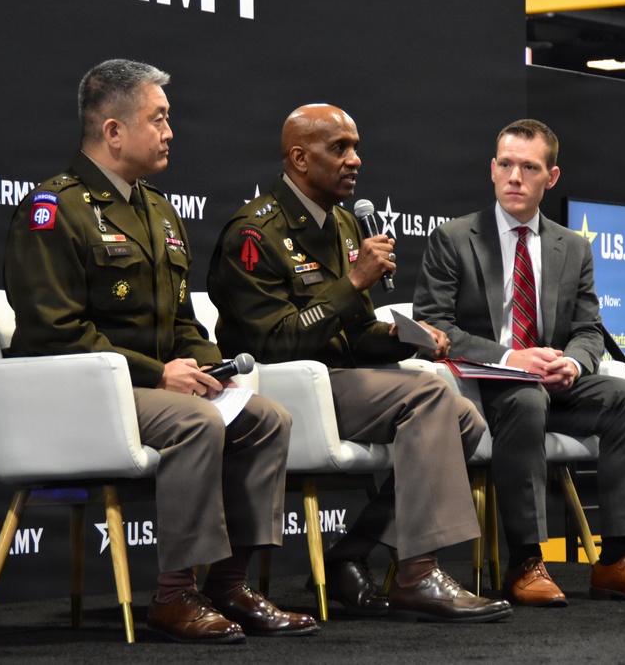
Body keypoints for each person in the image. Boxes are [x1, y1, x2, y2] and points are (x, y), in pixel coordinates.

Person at [3, 59, 319, 644]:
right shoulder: (53, 210)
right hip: (79, 397)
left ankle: (229, 584)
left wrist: (205, 363)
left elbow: (180, 321)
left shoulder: (157, 209)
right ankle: (175, 595)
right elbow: (54, 331)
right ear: (113, 131)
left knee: (266, 418)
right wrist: (158, 374)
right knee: (197, 421)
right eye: (159, 119)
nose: (171, 131)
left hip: (149, 390)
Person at [206, 103, 512, 623]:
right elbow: (272, 342)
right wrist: (351, 284)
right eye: (339, 148)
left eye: (356, 147)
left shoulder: (346, 224)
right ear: (299, 158)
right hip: (281, 389)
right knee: (433, 396)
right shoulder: (253, 233)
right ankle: (418, 574)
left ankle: (350, 556)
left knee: (464, 417)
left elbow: (350, 333)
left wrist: (404, 339)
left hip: (338, 381)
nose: (355, 160)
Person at [413, 118, 625, 606]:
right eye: (506, 165)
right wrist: (510, 357)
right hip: (488, 390)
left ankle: (616, 562)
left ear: (551, 177)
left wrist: (576, 364)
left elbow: (588, 329)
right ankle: (526, 563)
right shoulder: (454, 239)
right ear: (492, 169)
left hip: (554, 384)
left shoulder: (573, 246)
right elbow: (434, 328)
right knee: (524, 397)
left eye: (529, 166)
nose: (515, 176)